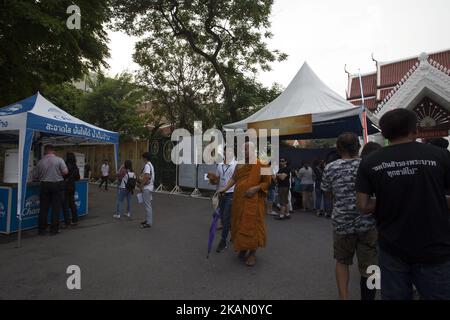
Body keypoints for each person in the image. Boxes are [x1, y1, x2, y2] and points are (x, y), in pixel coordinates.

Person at [356, 109, 450, 300]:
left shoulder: (370, 162)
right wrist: (431, 198)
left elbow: (363, 205)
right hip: (435, 245)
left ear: (384, 134)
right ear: (414, 131)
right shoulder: (441, 156)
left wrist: (390, 200)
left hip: (392, 246)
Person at [322, 133, 378, 300]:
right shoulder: (369, 165)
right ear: (358, 147)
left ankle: (344, 297)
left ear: (338, 149)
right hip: (368, 223)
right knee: (371, 266)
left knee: (342, 261)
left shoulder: (330, 168)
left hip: (342, 223)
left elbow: (327, 195)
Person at [219, 142, 271, 267]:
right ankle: (243, 248)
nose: (243, 151)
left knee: (252, 227)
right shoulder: (239, 164)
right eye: (242, 149)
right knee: (238, 224)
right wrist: (225, 189)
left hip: (254, 202)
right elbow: (234, 178)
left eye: (246, 149)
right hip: (238, 201)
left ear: (254, 150)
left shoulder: (262, 164)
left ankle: (252, 253)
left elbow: (268, 182)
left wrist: (256, 188)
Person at [33, 145, 68, 235]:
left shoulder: (40, 162)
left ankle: (41, 230)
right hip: (57, 185)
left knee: (43, 208)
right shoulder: (59, 160)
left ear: (45, 151)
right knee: (56, 208)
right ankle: (54, 230)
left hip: (44, 185)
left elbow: (35, 176)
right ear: (53, 151)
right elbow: (65, 172)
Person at [208, 147, 237, 253]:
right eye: (226, 151)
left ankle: (223, 241)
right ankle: (234, 233)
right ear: (224, 152)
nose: (228, 152)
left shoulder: (236, 165)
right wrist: (212, 180)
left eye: (230, 151)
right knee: (225, 217)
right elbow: (217, 181)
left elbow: (236, 180)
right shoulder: (220, 165)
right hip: (221, 194)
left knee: (225, 217)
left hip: (231, 193)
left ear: (233, 153)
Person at [62, 152, 80, 227]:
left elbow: (62, 175)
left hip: (65, 186)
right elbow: (78, 178)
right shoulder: (75, 166)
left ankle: (67, 222)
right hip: (72, 186)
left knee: (65, 204)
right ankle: (75, 220)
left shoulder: (65, 165)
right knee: (72, 203)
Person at [138, 152, 155, 228]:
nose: (142, 159)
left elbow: (147, 176)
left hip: (147, 187)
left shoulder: (147, 166)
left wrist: (141, 185)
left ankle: (149, 222)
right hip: (150, 187)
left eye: (143, 158)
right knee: (147, 205)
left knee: (147, 205)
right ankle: (148, 220)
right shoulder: (151, 165)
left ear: (145, 158)